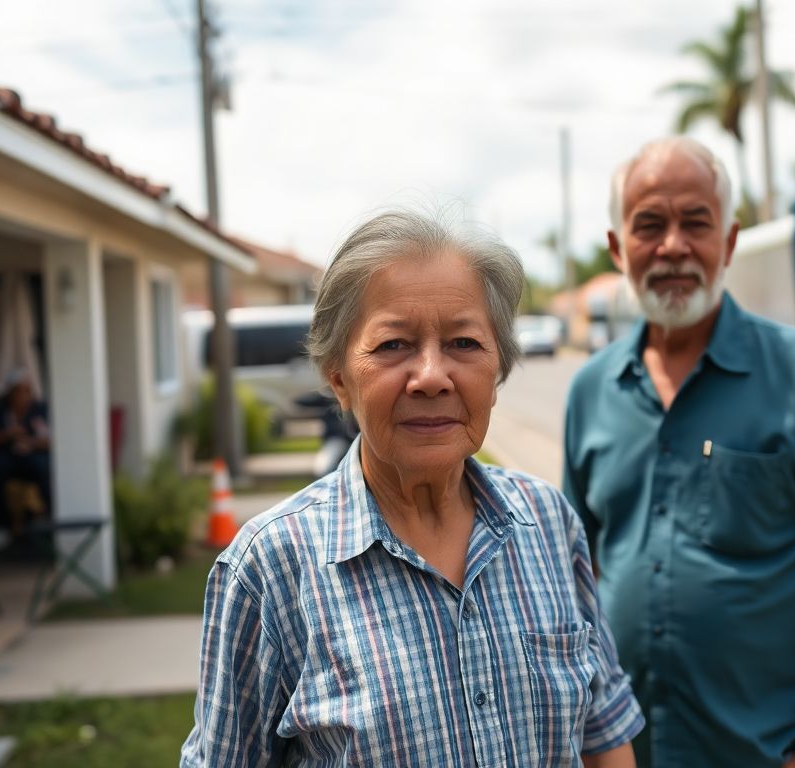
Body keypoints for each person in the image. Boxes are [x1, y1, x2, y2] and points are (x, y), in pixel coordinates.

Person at [182, 209, 643, 767]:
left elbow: (603, 733)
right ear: (338, 376)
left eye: (465, 343)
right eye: (394, 344)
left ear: (498, 369)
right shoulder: (270, 570)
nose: (431, 376)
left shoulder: (548, 523)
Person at [562, 137, 795, 768]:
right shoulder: (590, 391)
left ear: (729, 241)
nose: (673, 246)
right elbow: (580, 581)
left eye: (696, 223)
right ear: (617, 249)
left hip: (768, 752)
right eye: (649, 226)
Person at [0, 368, 51, 530]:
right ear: (9, 393)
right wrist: (7, 434)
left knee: (44, 467)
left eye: (27, 391)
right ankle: (0, 524)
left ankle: (47, 517)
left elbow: (53, 442)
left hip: (35, 456)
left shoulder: (40, 409)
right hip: (7, 456)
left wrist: (31, 443)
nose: (23, 396)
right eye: (18, 391)